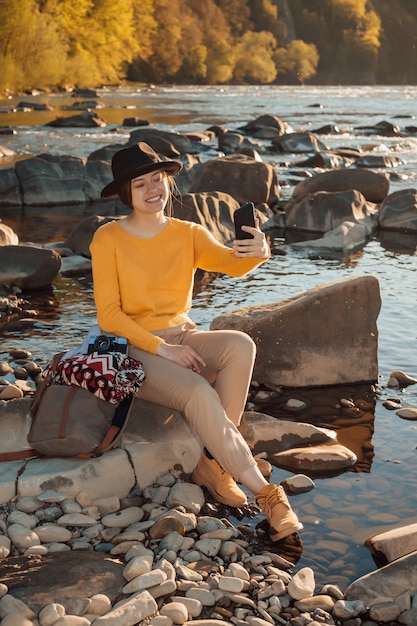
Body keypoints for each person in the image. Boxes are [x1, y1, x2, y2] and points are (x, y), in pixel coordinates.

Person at [90, 141, 302, 541]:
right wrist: (163, 349)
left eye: (158, 179)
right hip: (133, 348)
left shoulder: (188, 233)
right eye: (141, 184)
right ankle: (269, 496)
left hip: (182, 333)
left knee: (241, 345)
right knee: (197, 392)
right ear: (126, 193)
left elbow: (233, 264)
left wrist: (260, 249)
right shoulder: (108, 239)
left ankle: (212, 463)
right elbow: (109, 317)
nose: (154, 189)